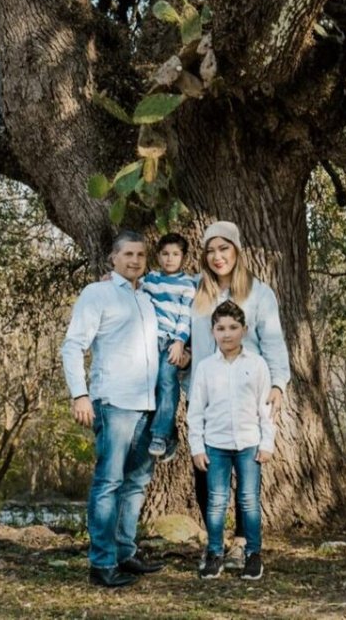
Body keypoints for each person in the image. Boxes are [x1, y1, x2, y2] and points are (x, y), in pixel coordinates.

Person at [60, 230, 167, 588]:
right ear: (113, 258)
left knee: (136, 482)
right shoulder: (98, 293)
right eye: (128, 255)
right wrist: (80, 394)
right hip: (114, 402)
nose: (135, 260)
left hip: (147, 404)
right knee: (108, 482)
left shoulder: (148, 297)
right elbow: (73, 346)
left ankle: (125, 552)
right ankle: (101, 564)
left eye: (140, 255)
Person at [188, 220, 289, 570]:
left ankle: (244, 543)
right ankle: (214, 542)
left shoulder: (259, 293)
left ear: (237, 251)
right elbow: (164, 302)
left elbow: (274, 341)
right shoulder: (196, 293)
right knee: (205, 472)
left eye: (224, 249)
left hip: (249, 391)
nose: (217, 257)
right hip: (207, 390)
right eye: (211, 251)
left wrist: (278, 383)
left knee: (248, 479)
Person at [187, 299, 275, 580]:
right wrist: (197, 447)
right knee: (216, 501)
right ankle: (214, 553)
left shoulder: (257, 364)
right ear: (213, 331)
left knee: (249, 499)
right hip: (216, 444)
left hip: (249, 443)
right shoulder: (205, 368)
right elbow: (196, 410)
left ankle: (253, 554)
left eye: (233, 327)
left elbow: (266, 408)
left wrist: (267, 442)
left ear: (244, 330)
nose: (227, 334)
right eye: (221, 328)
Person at [142, 232, 197, 458]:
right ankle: (171, 434)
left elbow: (186, 317)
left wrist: (179, 342)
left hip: (171, 343)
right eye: (165, 254)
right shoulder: (151, 279)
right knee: (150, 385)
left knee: (166, 380)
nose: (169, 259)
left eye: (175, 254)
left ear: (183, 257)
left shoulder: (187, 285)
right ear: (157, 256)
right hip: (147, 341)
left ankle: (160, 435)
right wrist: (110, 276)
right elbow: (132, 290)